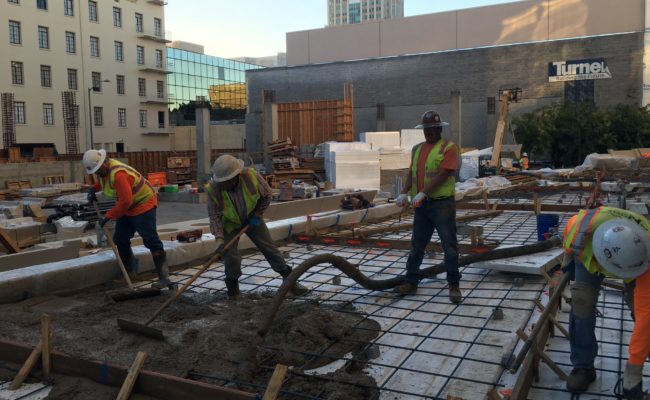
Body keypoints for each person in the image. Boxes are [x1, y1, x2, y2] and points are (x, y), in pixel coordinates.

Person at [562, 206, 650, 398]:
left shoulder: (646, 251)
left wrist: (634, 367)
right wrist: (568, 262)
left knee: (639, 309)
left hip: (636, 266)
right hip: (589, 257)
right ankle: (583, 366)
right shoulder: (578, 231)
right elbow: (568, 246)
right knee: (582, 301)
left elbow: (647, 313)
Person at [205, 155, 308, 299]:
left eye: (226, 181)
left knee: (269, 248)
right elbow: (214, 215)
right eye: (221, 181)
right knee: (231, 257)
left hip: (252, 216)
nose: (223, 184)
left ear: (236, 176)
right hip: (229, 223)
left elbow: (267, 196)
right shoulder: (213, 189)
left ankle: (290, 281)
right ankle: (233, 291)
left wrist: (256, 215)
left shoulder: (251, 176)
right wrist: (219, 239)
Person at [393, 111, 462, 303]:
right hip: (422, 206)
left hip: (442, 204)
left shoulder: (449, 148)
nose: (429, 133)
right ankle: (411, 282)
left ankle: (454, 285)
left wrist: (423, 192)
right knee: (417, 245)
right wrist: (404, 192)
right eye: (426, 129)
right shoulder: (417, 149)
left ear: (440, 129)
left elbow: (444, 173)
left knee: (449, 246)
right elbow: (411, 174)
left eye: (433, 129)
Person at [82, 149, 171, 289]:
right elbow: (104, 181)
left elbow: (125, 202)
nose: (98, 173)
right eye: (96, 171)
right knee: (120, 239)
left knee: (150, 240)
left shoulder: (119, 175)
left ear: (105, 162)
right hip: (128, 206)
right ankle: (130, 274)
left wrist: (108, 215)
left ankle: (164, 277)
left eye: (99, 169)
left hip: (143, 204)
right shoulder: (104, 171)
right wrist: (94, 188)